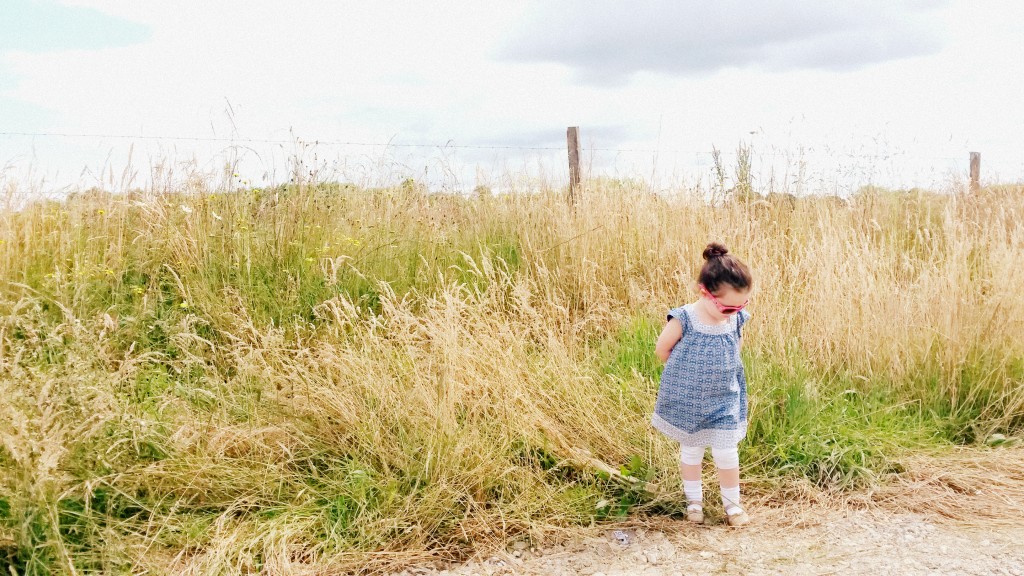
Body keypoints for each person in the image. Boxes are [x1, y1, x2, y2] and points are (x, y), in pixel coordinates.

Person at [652, 242, 753, 526]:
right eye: (727, 307)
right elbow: (662, 350)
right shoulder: (684, 319)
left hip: (724, 398)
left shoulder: (734, 320)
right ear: (704, 292)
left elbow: (736, 350)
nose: (734, 312)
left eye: (740, 306)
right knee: (692, 450)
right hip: (688, 398)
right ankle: (693, 502)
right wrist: (686, 374)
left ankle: (732, 506)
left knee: (726, 450)